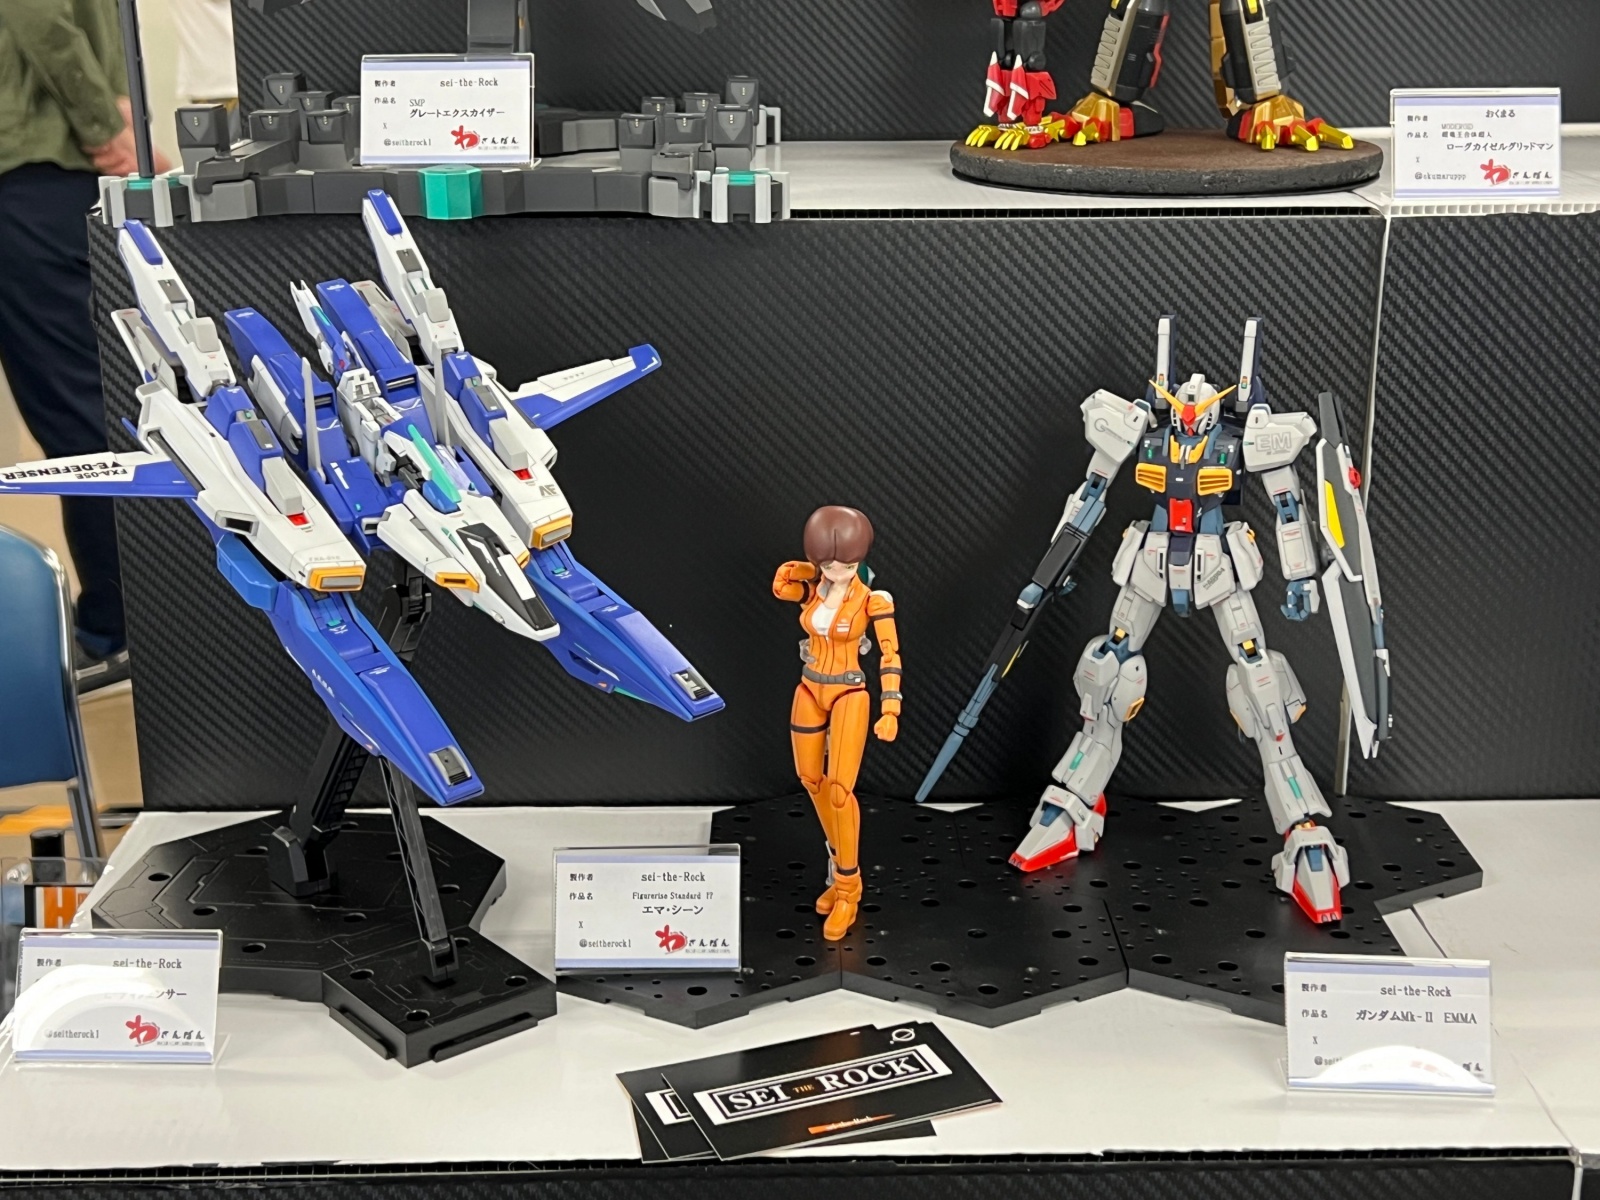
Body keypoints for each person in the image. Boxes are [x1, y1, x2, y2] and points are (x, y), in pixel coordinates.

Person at [0, 0, 166, 689]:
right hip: (47, 171)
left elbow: (51, 23)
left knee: (79, 410)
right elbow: (44, 20)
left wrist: (112, 127)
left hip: (34, 175)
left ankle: (118, 624)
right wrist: (113, 128)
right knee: (91, 401)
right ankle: (125, 618)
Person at [772, 506, 902, 941]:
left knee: (840, 792)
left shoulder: (873, 600)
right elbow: (781, 586)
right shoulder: (814, 590)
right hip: (810, 687)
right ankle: (837, 866)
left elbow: (890, 655)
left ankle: (848, 887)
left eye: (846, 563)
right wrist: (809, 569)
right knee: (811, 780)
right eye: (829, 563)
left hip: (849, 692)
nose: (838, 571)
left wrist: (891, 708)